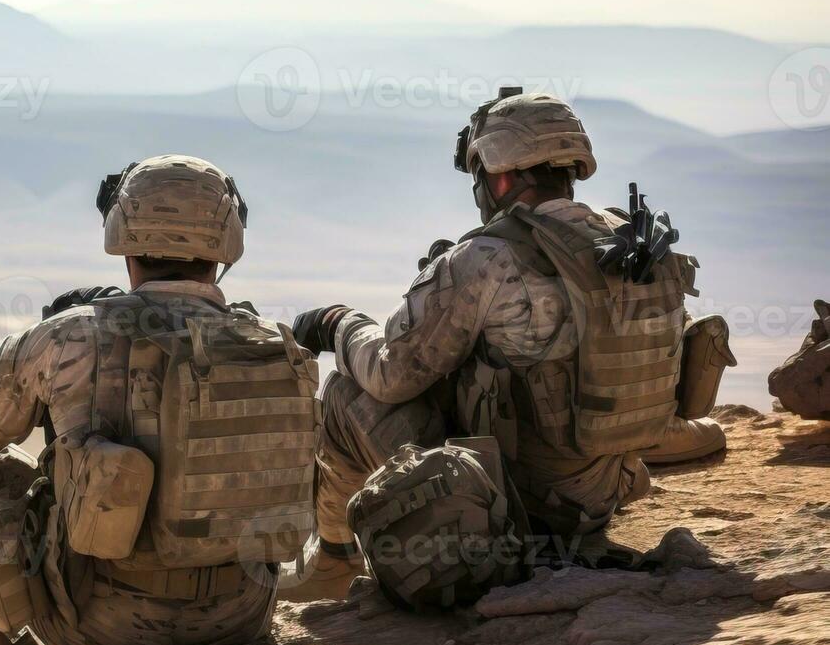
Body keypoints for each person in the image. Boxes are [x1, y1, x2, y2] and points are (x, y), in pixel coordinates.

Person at [287, 89, 729, 602]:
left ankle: (332, 565)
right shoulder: (632, 243)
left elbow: (392, 373)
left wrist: (338, 324)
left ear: (498, 176)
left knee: (345, 394)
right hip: (597, 493)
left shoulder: (487, 258)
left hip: (509, 503)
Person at [0, 155, 320, 645]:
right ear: (226, 245)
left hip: (98, 632)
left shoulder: (71, 335)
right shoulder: (270, 346)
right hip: (242, 618)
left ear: (123, 237)